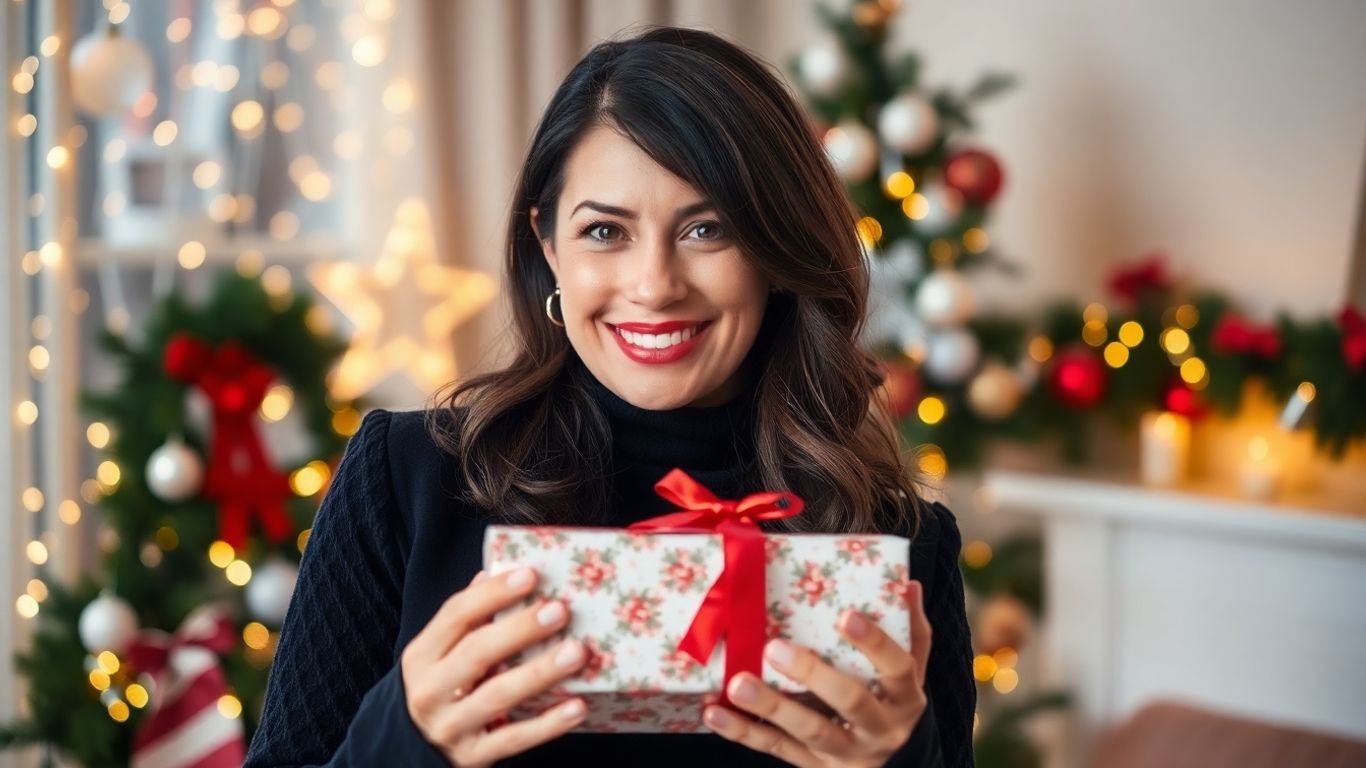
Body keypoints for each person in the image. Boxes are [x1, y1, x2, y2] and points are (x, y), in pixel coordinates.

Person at [245, 25, 975, 768]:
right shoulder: (407, 480)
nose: (655, 285)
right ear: (549, 246)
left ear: (775, 252)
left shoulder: (899, 546)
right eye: (604, 231)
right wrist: (401, 738)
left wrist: (904, 761)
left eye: (707, 228)